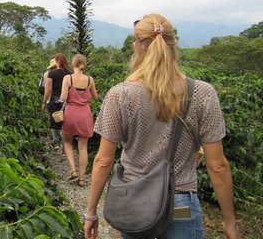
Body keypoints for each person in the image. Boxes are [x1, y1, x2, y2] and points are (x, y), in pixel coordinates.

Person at [84, 14, 241, 239]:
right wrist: (230, 222)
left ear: (136, 46)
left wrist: (91, 212)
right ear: (174, 45)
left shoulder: (121, 94)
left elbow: (103, 161)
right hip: (181, 204)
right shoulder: (203, 93)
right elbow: (217, 166)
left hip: (135, 201)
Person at [60, 54, 98, 187]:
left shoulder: (67, 78)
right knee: (83, 147)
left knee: (67, 141)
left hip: (71, 112)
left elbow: (64, 97)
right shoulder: (89, 80)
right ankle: (81, 179)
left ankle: (73, 170)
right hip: (85, 114)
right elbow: (95, 97)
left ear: (73, 64)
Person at [42, 53, 71, 148]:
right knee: (64, 124)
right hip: (67, 102)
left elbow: (48, 90)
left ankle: (56, 142)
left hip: (54, 101)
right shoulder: (70, 74)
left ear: (57, 61)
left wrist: (44, 102)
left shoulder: (52, 73)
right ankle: (65, 146)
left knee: (54, 121)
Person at [40, 58, 59, 143]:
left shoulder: (46, 74)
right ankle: (63, 141)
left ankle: (55, 140)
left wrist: (44, 101)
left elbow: (45, 89)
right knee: (62, 120)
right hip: (62, 100)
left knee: (51, 119)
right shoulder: (64, 73)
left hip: (50, 100)